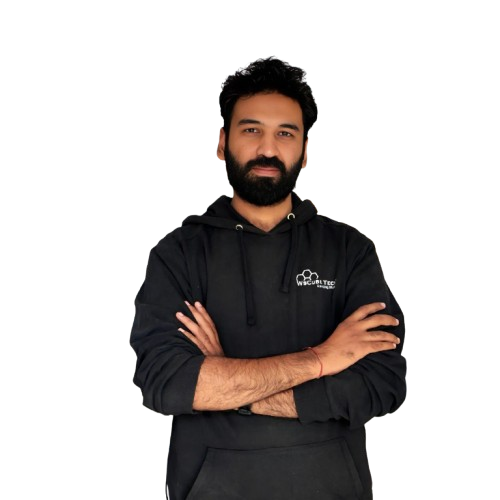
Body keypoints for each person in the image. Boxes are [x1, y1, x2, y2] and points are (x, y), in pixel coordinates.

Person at [129, 55, 407, 500]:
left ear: (305, 150)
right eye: (251, 130)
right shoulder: (178, 253)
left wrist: (228, 386)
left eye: (286, 133)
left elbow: (382, 383)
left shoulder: (350, 251)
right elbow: (165, 384)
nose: (268, 149)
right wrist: (321, 360)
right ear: (222, 142)